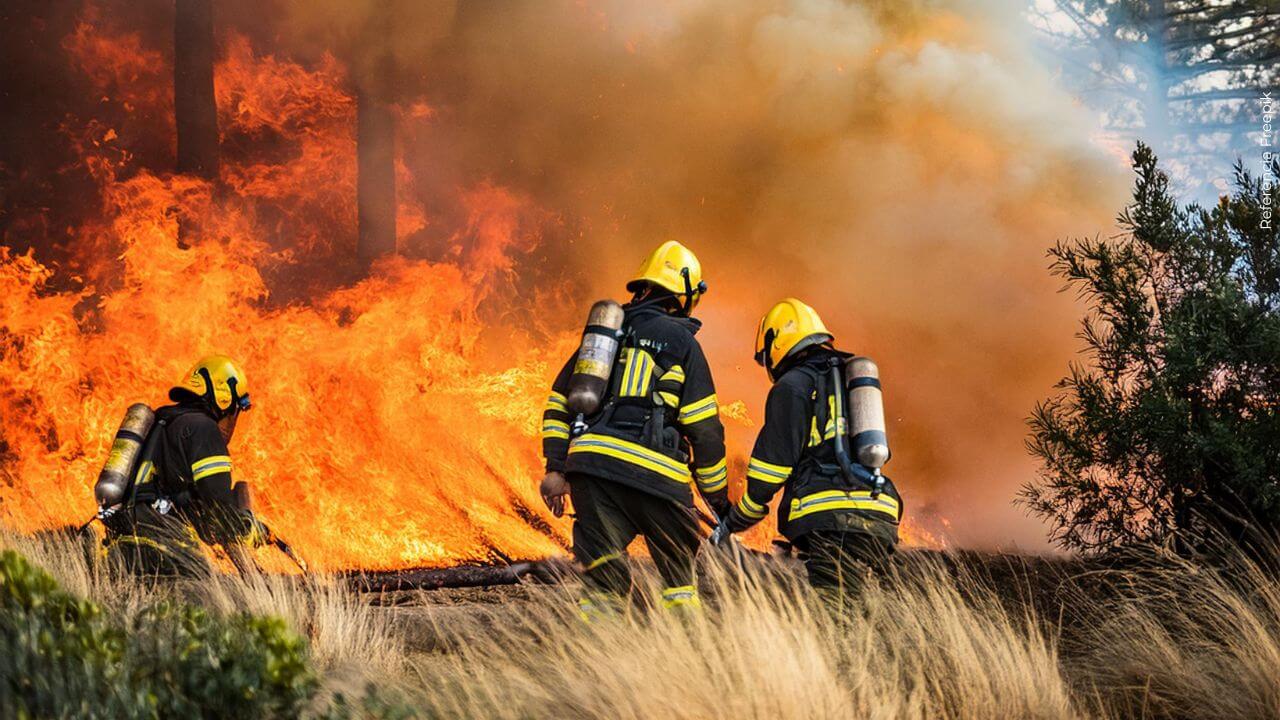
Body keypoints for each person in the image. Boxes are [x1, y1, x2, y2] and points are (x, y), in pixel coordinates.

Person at [539, 240, 729, 617]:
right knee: (679, 585)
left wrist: (555, 468)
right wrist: (718, 501)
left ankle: (597, 656)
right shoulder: (682, 343)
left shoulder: (603, 337)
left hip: (594, 474)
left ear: (642, 285)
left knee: (602, 587)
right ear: (687, 294)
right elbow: (704, 429)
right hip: (658, 479)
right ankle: (686, 654)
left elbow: (559, 403)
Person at [713, 298, 902, 600]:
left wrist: (733, 521)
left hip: (831, 516)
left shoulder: (793, 385)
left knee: (835, 610)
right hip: (880, 514)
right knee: (858, 603)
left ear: (776, 342)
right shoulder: (849, 381)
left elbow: (770, 469)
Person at [103, 355, 267, 576]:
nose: (234, 419)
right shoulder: (204, 430)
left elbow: (193, 510)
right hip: (167, 552)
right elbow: (220, 513)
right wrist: (251, 529)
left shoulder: (163, 422)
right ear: (225, 399)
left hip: (121, 546)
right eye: (237, 409)